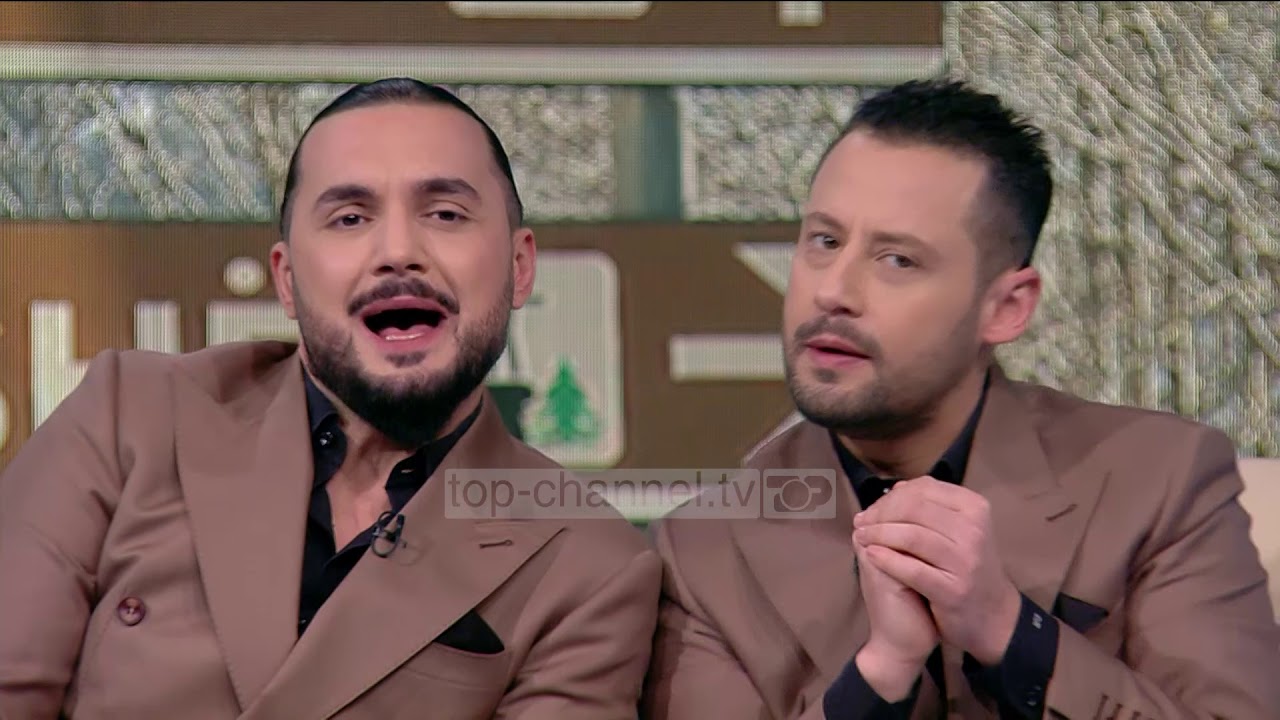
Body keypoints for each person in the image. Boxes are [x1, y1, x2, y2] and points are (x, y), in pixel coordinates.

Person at [0, 78, 661, 720]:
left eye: (445, 214)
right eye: (350, 218)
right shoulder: (131, 415)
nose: (399, 251)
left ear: (519, 267)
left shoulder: (588, 567)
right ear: (287, 281)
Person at [641, 78, 1280, 719]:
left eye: (898, 260)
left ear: (1006, 307)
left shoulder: (1159, 480)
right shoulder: (705, 550)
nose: (833, 291)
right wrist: (878, 677)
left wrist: (1011, 631)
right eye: (825, 242)